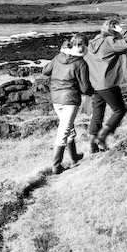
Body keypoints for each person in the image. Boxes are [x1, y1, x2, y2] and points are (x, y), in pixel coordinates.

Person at [42, 34, 92, 174]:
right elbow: (85, 88)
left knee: (68, 127)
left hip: (56, 97)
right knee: (64, 129)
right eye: (86, 46)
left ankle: (74, 156)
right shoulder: (80, 63)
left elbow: (45, 71)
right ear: (81, 46)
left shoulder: (59, 56)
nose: (86, 49)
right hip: (70, 99)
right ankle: (56, 165)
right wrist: (93, 91)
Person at [84, 19, 127, 152]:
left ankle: (93, 146)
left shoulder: (94, 41)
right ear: (113, 29)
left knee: (97, 115)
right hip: (107, 83)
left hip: (95, 83)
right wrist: (124, 31)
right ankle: (102, 136)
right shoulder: (110, 41)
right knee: (120, 110)